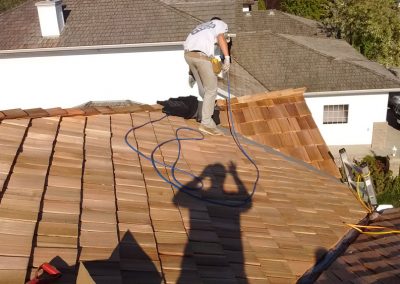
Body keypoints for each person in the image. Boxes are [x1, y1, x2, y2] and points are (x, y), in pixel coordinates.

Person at [184, 17, 230, 136]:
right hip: (200, 57)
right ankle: (206, 123)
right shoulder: (220, 23)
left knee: (204, 90)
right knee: (211, 89)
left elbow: (195, 46)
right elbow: (221, 38)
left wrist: (192, 71)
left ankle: (192, 75)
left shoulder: (202, 27)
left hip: (188, 56)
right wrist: (227, 59)